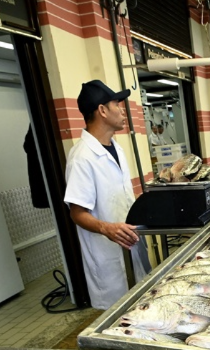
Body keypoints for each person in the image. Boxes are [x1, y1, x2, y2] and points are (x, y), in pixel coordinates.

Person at [64, 80, 151, 310]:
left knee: (139, 309)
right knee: (118, 317)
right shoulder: (82, 157)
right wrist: (107, 228)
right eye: (117, 105)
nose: (122, 111)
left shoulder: (116, 147)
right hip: (107, 257)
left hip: (129, 243)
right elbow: (77, 212)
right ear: (102, 110)